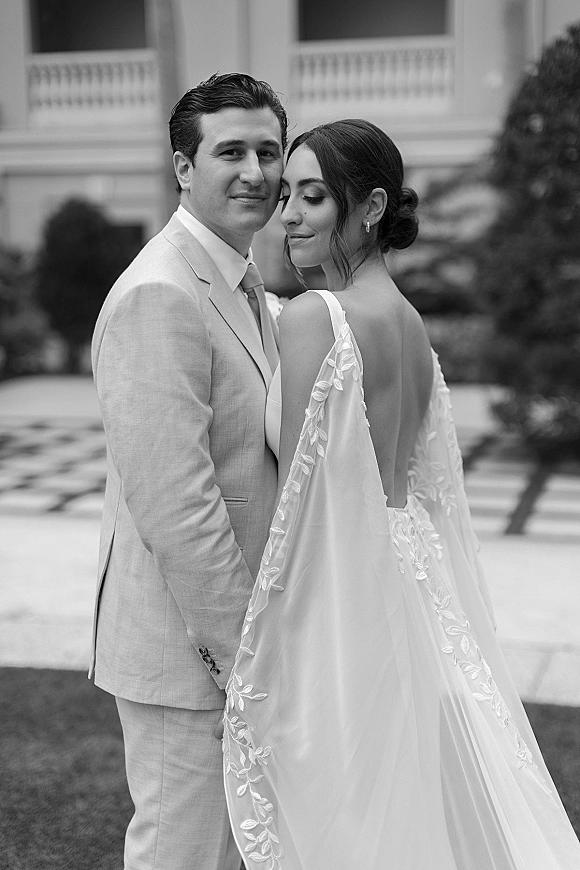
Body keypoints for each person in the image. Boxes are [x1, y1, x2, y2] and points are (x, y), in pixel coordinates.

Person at [222, 119, 580, 869]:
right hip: (413, 582)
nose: (287, 214)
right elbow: (418, 481)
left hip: (343, 592)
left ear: (373, 205)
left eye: (312, 197)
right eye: (286, 194)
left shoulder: (318, 317)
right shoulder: (414, 328)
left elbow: (298, 495)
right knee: (403, 792)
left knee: (343, 807)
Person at [90, 72, 286, 870]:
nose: (256, 171)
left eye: (269, 151)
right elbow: (179, 508)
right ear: (182, 167)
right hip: (192, 653)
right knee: (182, 855)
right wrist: (250, 660)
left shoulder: (248, 285)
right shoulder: (160, 293)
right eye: (230, 150)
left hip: (243, 641)